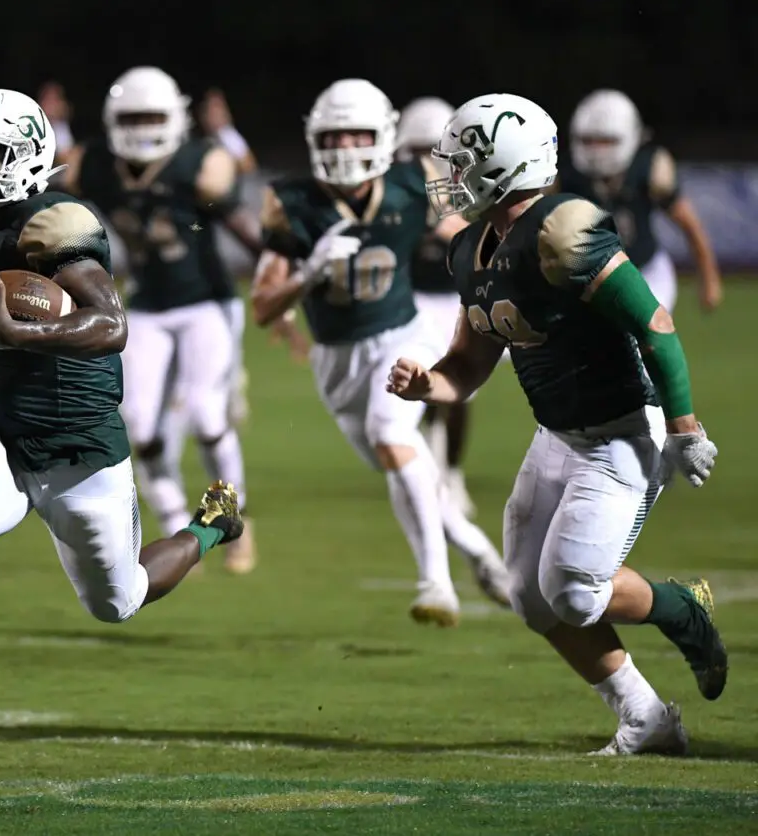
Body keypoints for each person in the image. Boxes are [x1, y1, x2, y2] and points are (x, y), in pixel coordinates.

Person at [0, 88, 245, 782]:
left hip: (79, 446)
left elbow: (111, 324)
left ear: (28, 160)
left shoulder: (54, 224)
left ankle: (213, 526)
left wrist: (19, 333)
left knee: (118, 598)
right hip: (1, 430)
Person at [388, 92, 727, 754]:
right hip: (557, 436)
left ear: (504, 165)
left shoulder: (562, 228)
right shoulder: (469, 249)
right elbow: (470, 361)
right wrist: (429, 383)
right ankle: (647, 718)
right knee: (532, 599)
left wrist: (685, 426)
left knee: (571, 592)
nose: (448, 178)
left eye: (462, 162)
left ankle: (681, 607)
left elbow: (653, 322)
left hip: (622, 431)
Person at [251, 79, 510, 626]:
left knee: (393, 438)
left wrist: (504, 272)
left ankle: (436, 583)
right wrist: (308, 274)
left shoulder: (420, 180)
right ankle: (481, 553)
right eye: (334, 135)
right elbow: (263, 307)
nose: (345, 146)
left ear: (383, 136)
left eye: (357, 134)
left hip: (404, 334)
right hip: (335, 360)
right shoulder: (288, 200)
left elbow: (469, 239)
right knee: (401, 464)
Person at [63, 66, 260, 574]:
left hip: (207, 302)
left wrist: (278, 275)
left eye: (152, 116)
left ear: (176, 117)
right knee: (140, 423)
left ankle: (235, 513)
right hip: (146, 304)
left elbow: (242, 226)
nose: (143, 127)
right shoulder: (95, 164)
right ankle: (181, 522)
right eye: (133, 117)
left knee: (207, 415)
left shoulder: (200, 164)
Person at [561, 89, 722, 314]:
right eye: (589, 140)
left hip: (647, 272)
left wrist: (709, 278)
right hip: (588, 277)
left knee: (640, 337)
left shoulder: (649, 170)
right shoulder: (566, 175)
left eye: (606, 141)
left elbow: (689, 224)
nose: (597, 150)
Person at [395, 96, 478, 518]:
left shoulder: (472, 188)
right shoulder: (392, 191)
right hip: (410, 299)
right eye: (414, 151)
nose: (423, 162)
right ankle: (430, 467)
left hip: (454, 299)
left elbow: (482, 244)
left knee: (458, 390)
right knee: (416, 384)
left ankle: (452, 472)